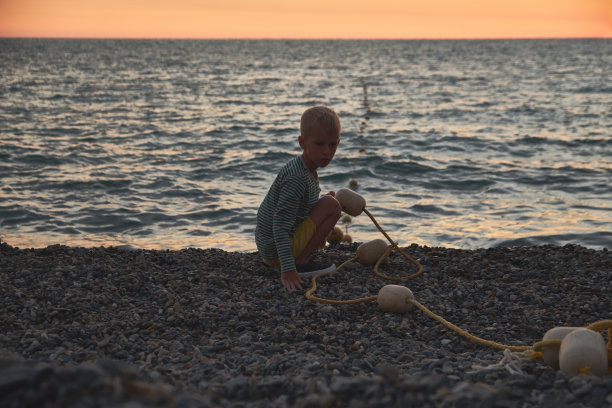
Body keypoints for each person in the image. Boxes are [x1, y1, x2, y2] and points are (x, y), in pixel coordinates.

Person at [255, 106, 342, 292]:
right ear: (302, 142)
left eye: (332, 144)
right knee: (332, 206)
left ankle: (299, 256)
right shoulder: (296, 178)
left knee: (328, 201)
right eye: (319, 144)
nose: (327, 151)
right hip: (275, 250)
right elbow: (279, 226)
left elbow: (300, 208)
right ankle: (301, 263)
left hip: (271, 246)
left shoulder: (305, 167)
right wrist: (287, 270)